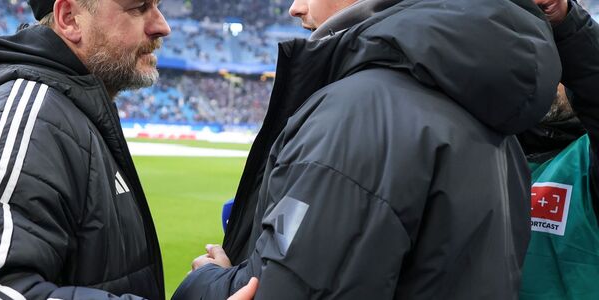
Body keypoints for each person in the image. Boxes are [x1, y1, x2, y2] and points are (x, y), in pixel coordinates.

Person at [174, 0, 562, 298]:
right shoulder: (486, 115)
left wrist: (205, 282)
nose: (295, 8)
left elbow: (297, 289)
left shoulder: (358, 113)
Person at [0, 0, 172, 298]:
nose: (162, 26)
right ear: (70, 19)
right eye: (139, 7)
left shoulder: (71, 111)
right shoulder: (28, 117)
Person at [518, 0, 599, 298]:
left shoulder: (585, 159)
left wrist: (566, 22)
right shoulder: (489, 149)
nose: (551, 71)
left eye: (559, 56)